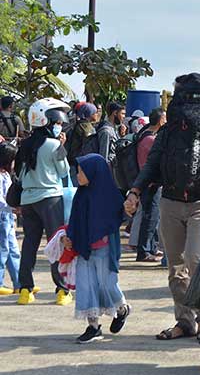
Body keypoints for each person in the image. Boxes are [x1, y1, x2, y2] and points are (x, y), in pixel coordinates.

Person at [125, 73, 200, 341]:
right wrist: (135, 191)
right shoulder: (169, 132)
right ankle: (185, 322)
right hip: (171, 202)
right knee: (175, 267)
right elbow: (152, 163)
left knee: (197, 260)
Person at [63, 154, 131, 344]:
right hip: (84, 248)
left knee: (107, 284)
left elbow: (119, 216)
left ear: (94, 172)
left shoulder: (109, 194)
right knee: (86, 286)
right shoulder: (80, 194)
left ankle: (122, 309)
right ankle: (93, 326)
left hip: (104, 250)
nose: (77, 175)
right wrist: (70, 238)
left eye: (81, 171)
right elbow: (74, 221)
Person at [15, 98, 72, 306]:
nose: (58, 125)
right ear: (45, 120)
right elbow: (64, 171)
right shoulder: (54, 145)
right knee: (55, 244)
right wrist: (62, 147)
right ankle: (62, 290)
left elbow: (19, 174)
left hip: (28, 200)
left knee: (29, 244)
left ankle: (25, 290)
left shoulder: (25, 144)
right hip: (50, 199)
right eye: (56, 121)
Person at [134, 108, 166, 263]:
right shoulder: (152, 140)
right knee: (150, 217)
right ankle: (144, 251)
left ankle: (151, 247)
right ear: (160, 120)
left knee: (153, 217)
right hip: (151, 184)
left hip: (147, 183)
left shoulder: (144, 136)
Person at [0, 142, 21, 294]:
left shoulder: (6, 175)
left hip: (8, 216)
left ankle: (19, 282)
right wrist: (12, 207)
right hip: (2, 215)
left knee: (13, 249)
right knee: (2, 250)